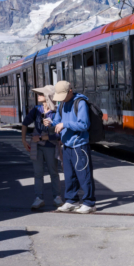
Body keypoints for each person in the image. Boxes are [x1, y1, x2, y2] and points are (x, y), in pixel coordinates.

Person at [45, 81, 97, 214]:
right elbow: (57, 120)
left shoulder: (80, 103)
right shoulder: (62, 103)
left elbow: (84, 124)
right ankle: (71, 200)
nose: (61, 98)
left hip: (79, 145)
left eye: (63, 95)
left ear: (70, 91)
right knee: (69, 175)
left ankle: (89, 203)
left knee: (84, 175)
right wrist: (50, 122)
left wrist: (65, 124)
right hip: (67, 145)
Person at [21, 85, 63, 210]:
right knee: (38, 173)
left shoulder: (56, 112)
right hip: (36, 146)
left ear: (48, 96)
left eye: (41, 94)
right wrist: (23, 139)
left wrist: (41, 138)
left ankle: (57, 197)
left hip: (50, 146)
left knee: (53, 172)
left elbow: (58, 134)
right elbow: (25, 123)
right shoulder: (36, 109)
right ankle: (39, 198)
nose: (38, 95)